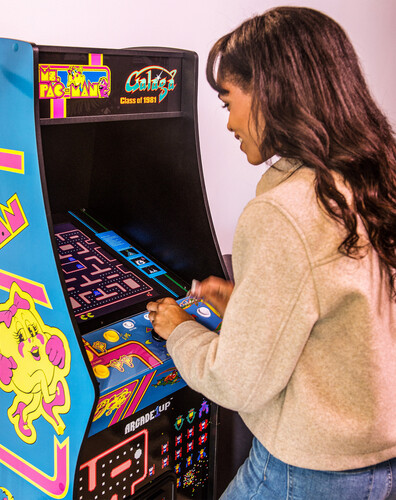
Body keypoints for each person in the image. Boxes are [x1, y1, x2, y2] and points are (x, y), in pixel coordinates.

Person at [146, 6, 396, 499]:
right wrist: (247, 307)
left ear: (269, 92)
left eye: (228, 102)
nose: (229, 123)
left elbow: (236, 382)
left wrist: (179, 329)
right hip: (376, 459)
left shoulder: (283, 211)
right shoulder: (366, 182)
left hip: (307, 473)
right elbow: (343, 321)